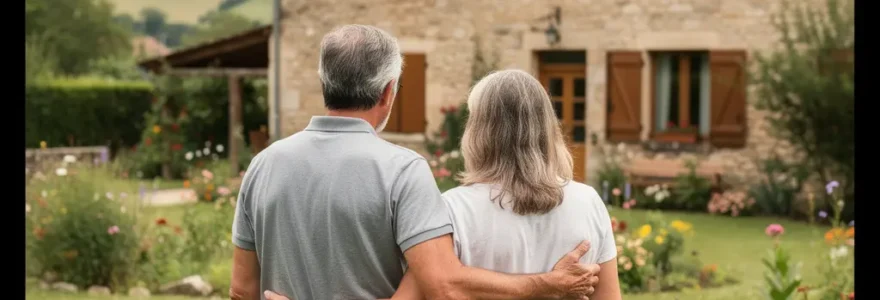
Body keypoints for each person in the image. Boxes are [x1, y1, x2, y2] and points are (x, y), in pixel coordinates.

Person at [230, 24, 602, 300]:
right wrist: (546, 284)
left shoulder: (263, 164)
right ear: (389, 90)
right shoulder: (401, 170)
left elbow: (242, 290)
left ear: (324, 83)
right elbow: (441, 284)